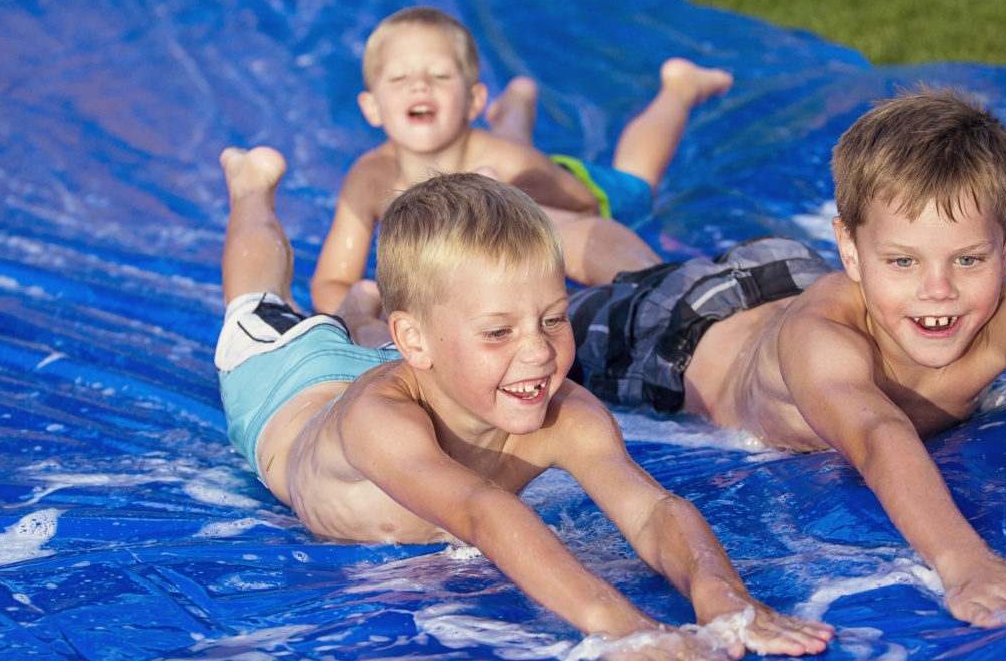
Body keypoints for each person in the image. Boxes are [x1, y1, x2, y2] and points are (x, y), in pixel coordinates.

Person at [565, 87, 1006, 629]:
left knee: (642, 269)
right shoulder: (821, 338)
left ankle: (584, 232)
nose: (938, 290)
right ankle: (527, 209)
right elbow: (876, 432)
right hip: (683, 332)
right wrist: (967, 563)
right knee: (563, 308)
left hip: (789, 274)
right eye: (904, 262)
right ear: (850, 247)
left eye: (969, 260)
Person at [215, 146, 832, 658]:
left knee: (403, 345)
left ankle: (362, 313)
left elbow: (651, 512)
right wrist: (625, 628)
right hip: (289, 382)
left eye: (553, 319)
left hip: (417, 363)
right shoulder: (379, 423)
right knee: (255, 299)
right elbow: (485, 515)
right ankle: (251, 190)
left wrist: (723, 595)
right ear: (419, 340)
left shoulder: (560, 409)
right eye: (500, 331)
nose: (538, 353)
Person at [311, 6, 733, 315]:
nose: (419, 85)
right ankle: (516, 107)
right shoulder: (370, 178)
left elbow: (583, 204)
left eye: (438, 76)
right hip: (491, 160)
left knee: (638, 178)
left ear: (473, 99)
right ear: (371, 107)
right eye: (400, 78)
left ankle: (680, 89)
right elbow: (332, 281)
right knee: (496, 164)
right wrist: (373, 312)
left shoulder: (509, 163)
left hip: (573, 189)